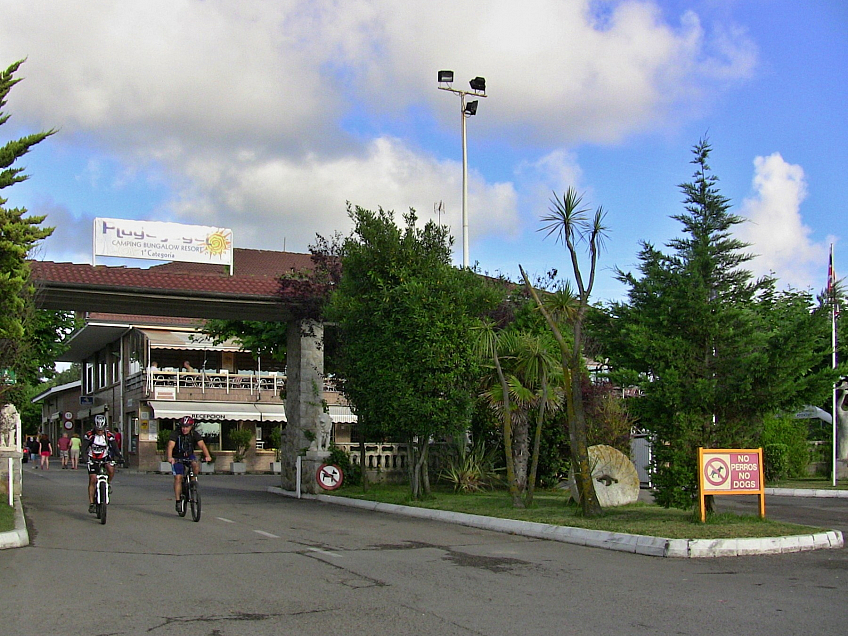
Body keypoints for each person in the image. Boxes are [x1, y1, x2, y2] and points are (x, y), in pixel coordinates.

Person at [166, 416, 211, 514]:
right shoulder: (176, 433)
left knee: (195, 464)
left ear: (191, 427)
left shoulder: (194, 434)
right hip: (177, 457)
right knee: (178, 478)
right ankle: (178, 501)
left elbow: (202, 445)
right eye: (183, 426)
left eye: (187, 427)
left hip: (189, 456)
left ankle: (193, 481)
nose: (184, 429)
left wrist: (207, 456)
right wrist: (170, 457)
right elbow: (170, 445)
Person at [80, 419, 122, 514]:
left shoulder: (109, 436)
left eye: (101, 430)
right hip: (92, 458)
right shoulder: (89, 435)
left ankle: (108, 483)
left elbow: (115, 448)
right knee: (93, 479)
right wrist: (83, 457)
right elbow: (84, 448)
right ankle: (91, 503)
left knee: (111, 468)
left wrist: (119, 457)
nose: (100, 431)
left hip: (104, 457)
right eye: (98, 430)